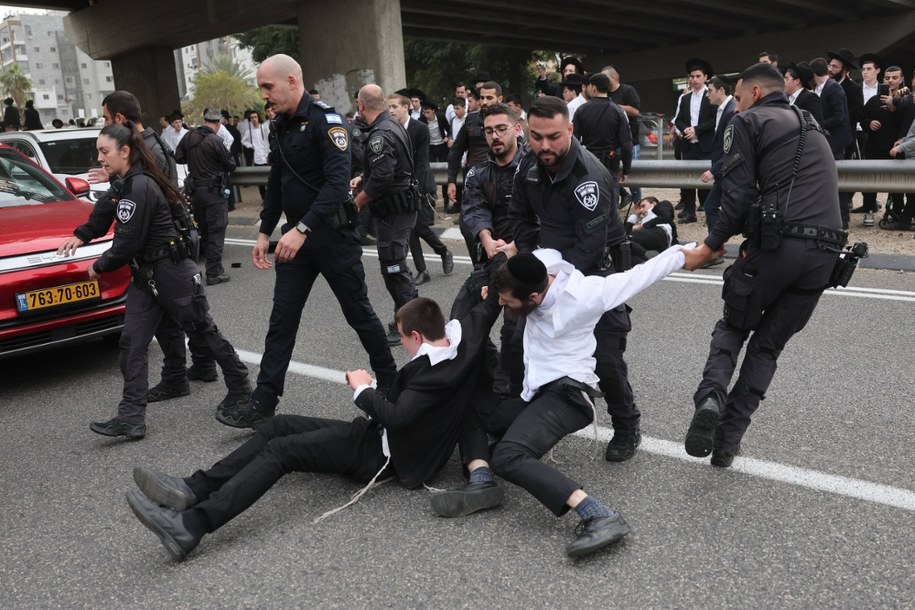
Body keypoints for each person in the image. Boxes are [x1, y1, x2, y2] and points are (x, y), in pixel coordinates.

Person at [125, 293, 503, 561]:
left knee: (281, 452)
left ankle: (192, 525)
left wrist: (363, 388)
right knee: (279, 426)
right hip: (375, 437)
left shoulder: (431, 375)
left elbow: (398, 416)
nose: (401, 344)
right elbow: (485, 310)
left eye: (401, 337)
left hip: (381, 455)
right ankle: (194, 488)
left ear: (416, 336)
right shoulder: (462, 341)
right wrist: (492, 292)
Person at [432, 245, 710, 558]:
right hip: (535, 393)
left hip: (569, 395)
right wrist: (508, 254)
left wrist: (687, 254)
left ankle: (598, 514)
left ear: (534, 298)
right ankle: (481, 480)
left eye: (507, 301)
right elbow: (539, 255)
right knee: (469, 406)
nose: (500, 304)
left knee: (509, 455)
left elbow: (640, 276)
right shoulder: (540, 266)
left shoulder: (587, 296)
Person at [218, 55, 397, 430]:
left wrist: (301, 230)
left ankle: (392, 384)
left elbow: (336, 185)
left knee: (358, 313)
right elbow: (279, 183)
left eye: (269, 87)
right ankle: (264, 401)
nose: (264, 96)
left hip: (332, 237)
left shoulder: (327, 122)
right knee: (282, 319)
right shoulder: (279, 126)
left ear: (292, 81)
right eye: (262, 88)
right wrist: (266, 231)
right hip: (294, 242)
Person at [682, 63, 846, 467]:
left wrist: (711, 243)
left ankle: (710, 399)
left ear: (754, 93)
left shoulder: (747, 121)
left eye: (736, 98)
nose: (735, 107)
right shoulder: (808, 121)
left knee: (734, 326)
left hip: (779, 245)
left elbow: (735, 198)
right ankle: (727, 443)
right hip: (827, 254)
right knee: (768, 347)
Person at [57, 122, 251, 439]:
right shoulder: (126, 182)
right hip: (146, 276)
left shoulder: (139, 187)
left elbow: (127, 242)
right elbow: (106, 208)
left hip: (172, 272)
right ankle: (131, 417)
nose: (100, 158)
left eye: (104, 152)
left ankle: (242, 388)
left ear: (125, 151)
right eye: (98, 152)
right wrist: (82, 235)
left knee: (203, 334)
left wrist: (100, 265)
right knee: (132, 342)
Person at [510, 95, 642, 462]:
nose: (544, 145)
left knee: (605, 355)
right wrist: (530, 267)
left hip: (595, 268)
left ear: (569, 129)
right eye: (536, 137)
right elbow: (519, 219)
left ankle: (627, 425)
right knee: (520, 344)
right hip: (548, 266)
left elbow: (588, 249)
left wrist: (551, 290)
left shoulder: (590, 178)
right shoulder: (528, 165)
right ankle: (530, 420)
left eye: (553, 136)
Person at [65, 90, 222, 399]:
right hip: (163, 245)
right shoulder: (149, 144)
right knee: (173, 317)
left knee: (189, 315)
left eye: (108, 119)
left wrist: (91, 235)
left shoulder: (147, 151)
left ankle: (212, 370)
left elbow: (128, 199)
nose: (106, 124)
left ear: (120, 120)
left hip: (165, 247)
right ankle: (185, 373)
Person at [351, 84, 421, 345]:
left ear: (361, 106)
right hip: (397, 208)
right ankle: (406, 318)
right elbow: (387, 170)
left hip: (395, 210)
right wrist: (363, 178)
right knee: (396, 265)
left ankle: (411, 324)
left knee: (393, 267)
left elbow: (383, 178)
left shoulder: (380, 133)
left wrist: (358, 201)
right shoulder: (392, 125)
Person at [387, 93, 454, 286]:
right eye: (389, 107)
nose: (390, 111)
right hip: (402, 186)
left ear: (405, 107)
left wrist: (417, 186)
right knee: (411, 229)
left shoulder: (420, 129)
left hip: (420, 184)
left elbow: (422, 161)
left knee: (420, 226)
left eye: (394, 107)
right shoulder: (390, 129)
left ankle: (443, 251)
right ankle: (422, 270)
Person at [174, 108, 236, 285]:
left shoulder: (189, 137)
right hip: (213, 193)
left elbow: (178, 157)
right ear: (217, 123)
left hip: (195, 194)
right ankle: (214, 273)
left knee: (207, 232)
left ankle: (215, 268)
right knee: (217, 230)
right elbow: (230, 164)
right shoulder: (216, 141)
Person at [699, 75, 736, 234]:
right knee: (713, 207)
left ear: (721, 90)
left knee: (711, 206)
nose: (707, 95)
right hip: (724, 170)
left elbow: (732, 147)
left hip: (727, 171)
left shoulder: (730, 111)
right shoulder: (722, 110)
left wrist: (714, 170)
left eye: (710, 91)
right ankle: (715, 247)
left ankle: (714, 248)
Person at [624, 197, 678, 262]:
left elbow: (666, 217)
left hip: (660, 232)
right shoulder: (642, 221)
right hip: (650, 243)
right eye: (640, 208)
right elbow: (624, 232)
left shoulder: (662, 205)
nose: (641, 210)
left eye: (643, 206)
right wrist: (635, 214)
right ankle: (647, 258)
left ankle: (647, 257)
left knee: (625, 241)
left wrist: (643, 226)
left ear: (654, 203)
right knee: (623, 243)